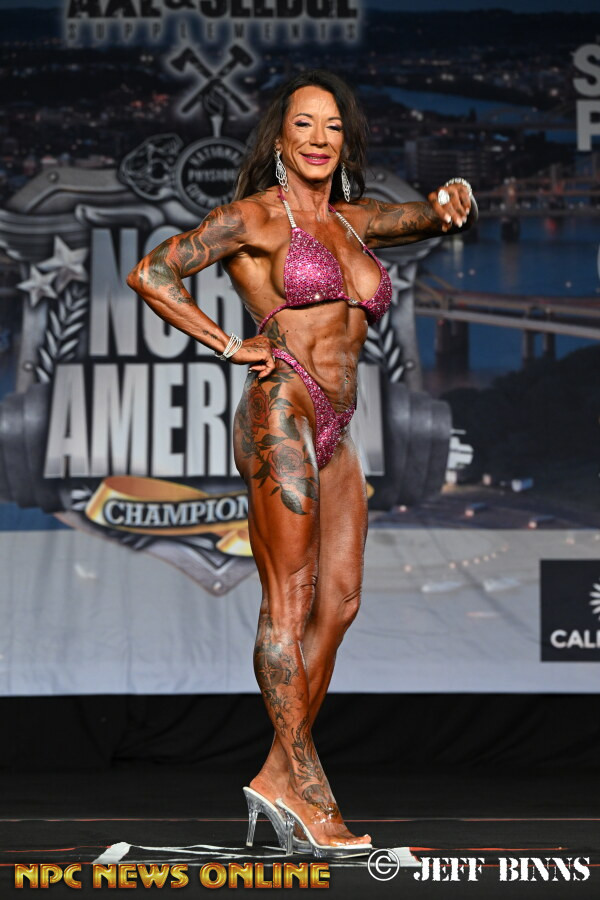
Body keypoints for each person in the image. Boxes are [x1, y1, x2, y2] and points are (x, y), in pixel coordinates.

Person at [127, 69, 477, 857]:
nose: (320, 139)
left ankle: (274, 777)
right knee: (289, 604)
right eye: (305, 125)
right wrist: (227, 343)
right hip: (281, 408)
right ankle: (311, 793)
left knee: (340, 603)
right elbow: (151, 271)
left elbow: (424, 215)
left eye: (333, 127)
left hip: (338, 424)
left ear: (344, 142)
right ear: (280, 139)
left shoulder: (353, 222)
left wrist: (451, 202)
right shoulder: (253, 217)